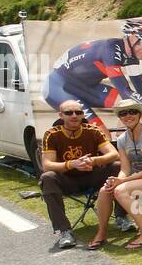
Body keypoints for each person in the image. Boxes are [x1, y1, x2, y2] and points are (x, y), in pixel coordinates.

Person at [40, 19, 142, 126]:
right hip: (59, 87)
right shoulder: (110, 51)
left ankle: (125, 142)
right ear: (133, 38)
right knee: (101, 131)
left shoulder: (130, 55)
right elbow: (127, 93)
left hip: (86, 87)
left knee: (128, 111)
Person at [87, 99, 142, 250]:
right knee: (105, 190)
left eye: (132, 112)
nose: (128, 116)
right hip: (139, 178)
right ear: (120, 117)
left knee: (121, 190)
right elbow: (125, 168)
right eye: (123, 113)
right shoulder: (122, 139)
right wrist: (117, 179)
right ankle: (101, 233)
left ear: (140, 114)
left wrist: (123, 182)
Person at [37, 99, 120, 251]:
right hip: (68, 180)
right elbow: (47, 165)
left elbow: (114, 154)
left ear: (83, 114)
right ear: (61, 115)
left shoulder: (93, 131)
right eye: (69, 113)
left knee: (117, 167)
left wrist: (93, 161)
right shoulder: (51, 134)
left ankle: (122, 217)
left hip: (92, 176)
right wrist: (72, 164)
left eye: (78, 112)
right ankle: (64, 231)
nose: (74, 115)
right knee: (47, 177)